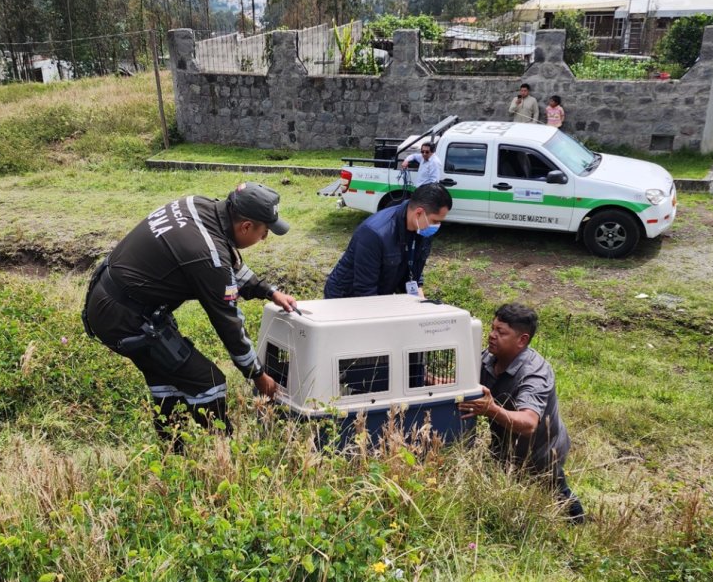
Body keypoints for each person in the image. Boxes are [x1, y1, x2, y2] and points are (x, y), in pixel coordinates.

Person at [83, 182, 299, 449]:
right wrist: (257, 374)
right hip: (122, 316)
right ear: (245, 226)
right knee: (208, 381)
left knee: (166, 378)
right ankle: (223, 453)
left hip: (115, 299)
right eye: (264, 232)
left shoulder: (201, 207)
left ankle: (173, 452)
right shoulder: (207, 255)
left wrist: (269, 292)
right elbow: (228, 322)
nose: (264, 238)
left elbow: (229, 261)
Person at [458, 303, 584, 523]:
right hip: (504, 447)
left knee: (555, 488)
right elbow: (463, 384)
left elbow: (528, 423)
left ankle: (577, 521)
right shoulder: (489, 358)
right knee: (502, 485)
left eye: (501, 332)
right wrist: (427, 380)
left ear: (522, 340)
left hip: (541, 451)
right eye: (492, 328)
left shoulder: (534, 375)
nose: (492, 336)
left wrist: (491, 409)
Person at [323, 183, 452, 299]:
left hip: (380, 295)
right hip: (345, 298)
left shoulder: (422, 230)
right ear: (419, 213)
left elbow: (415, 273)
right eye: (435, 221)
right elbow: (365, 290)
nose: (437, 225)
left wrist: (420, 304)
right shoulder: (374, 233)